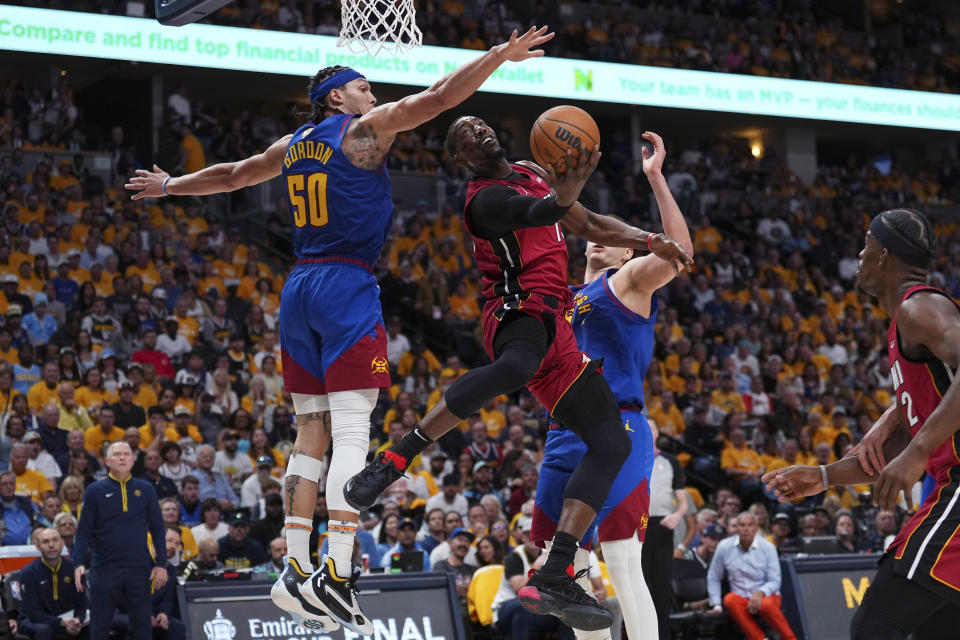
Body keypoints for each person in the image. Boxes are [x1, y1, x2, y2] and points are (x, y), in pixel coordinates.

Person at [126, 28, 555, 636]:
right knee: (354, 427)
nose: (371, 92)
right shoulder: (362, 131)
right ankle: (339, 568)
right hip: (345, 285)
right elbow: (437, 98)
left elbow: (231, 175)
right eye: (362, 86)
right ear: (337, 99)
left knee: (310, 433)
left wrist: (170, 186)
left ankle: (296, 566)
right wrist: (498, 57)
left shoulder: (294, 144)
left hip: (297, 287)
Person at [345, 120, 691, 631]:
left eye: (481, 126)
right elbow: (545, 210)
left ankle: (553, 575)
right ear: (462, 162)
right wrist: (570, 185)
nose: (478, 134)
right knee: (513, 367)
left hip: (566, 351)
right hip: (516, 309)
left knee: (612, 453)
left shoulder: (615, 270)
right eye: (465, 137)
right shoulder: (483, 201)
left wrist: (648, 237)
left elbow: (588, 220)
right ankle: (397, 456)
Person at [763, 208, 960, 639]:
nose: (859, 253)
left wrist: (918, 452)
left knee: (876, 626)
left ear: (884, 255)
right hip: (949, 482)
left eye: (866, 245)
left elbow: (914, 444)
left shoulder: (919, 307)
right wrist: (824, 476)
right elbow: (897, 444)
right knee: (934, 629)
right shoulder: (908, 328)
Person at [532, 131, 691, 640]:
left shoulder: (626, 284)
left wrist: (656, 179)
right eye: (597, 232)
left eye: (619, 240)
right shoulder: (562, 296)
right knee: (566, 575)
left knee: (622, 563)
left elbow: (681, 250)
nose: (604, 238)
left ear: (630, 255)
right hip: (563, 430)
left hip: (617, 425)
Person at [72, 441, 167, 640]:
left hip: (139, 569)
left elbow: (158, 530)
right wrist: (79, 562)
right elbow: (83, 532)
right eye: (117, 454)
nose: (122, 458)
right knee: (99, 627)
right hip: (105, 568)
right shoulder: (94, 490)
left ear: (133, 460)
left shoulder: (146, 489)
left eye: (126, 454)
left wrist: (161, 565)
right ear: (107, 461)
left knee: (143, 629)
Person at [706, 512, 795, 640]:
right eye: (742, 525)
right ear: (736, 528)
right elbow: (714, 576)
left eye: (749, 525)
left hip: (766, 595)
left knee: (766, 605)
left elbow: (775, 580)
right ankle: (760, 638)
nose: (746, 529)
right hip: (740, 596)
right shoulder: (724, 547)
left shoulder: (768, 547)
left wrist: (760, 593)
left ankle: (790, 638)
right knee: (729, 599)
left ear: (756, 528)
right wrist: (716, 604)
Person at [491, 518, 574, 640]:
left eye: (536, 533)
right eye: (528, 534)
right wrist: (535, 568)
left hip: (537, 607)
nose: (533, 537)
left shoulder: (549, 555)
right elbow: (519, 590)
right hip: (507, 607)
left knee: (565, 610)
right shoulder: (514, 557)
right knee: (523, 605)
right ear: (523, 538)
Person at [18, 528, 89, 640]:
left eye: (55, 540)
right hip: (33, 620)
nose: (51, 545)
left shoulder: (75, 569)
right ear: (37, 547)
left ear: (62, 544)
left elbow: (82, 603)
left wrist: (77, 620)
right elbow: (32, 612)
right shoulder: (28, 573)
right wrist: (61, 622)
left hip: (66, 618)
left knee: (92, 624)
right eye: (45, 542)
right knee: (44, 629)